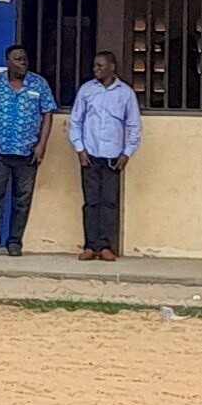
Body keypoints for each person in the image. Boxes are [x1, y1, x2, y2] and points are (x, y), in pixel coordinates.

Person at [0, 45, 55, 257]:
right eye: (17, 59)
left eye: (25, 58)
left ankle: (15, 243)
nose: (23, 62)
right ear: (8, 62)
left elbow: (47, 114)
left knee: (22, 199)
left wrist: (41, 144)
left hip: (28, 152)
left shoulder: (39, 83)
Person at [67, 51, 139, 261]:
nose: (96, 69)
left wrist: (127, 153)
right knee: (91, 203)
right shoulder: (87, 90)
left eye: (100, 66)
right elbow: (75, 121)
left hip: (113, 158)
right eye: (95, 66)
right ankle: (90, 246)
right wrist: (80, 149)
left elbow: (134, 126)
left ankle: (106, 246)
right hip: (89, 155)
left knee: (109, 203)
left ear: (112, 67)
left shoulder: (125, 93)